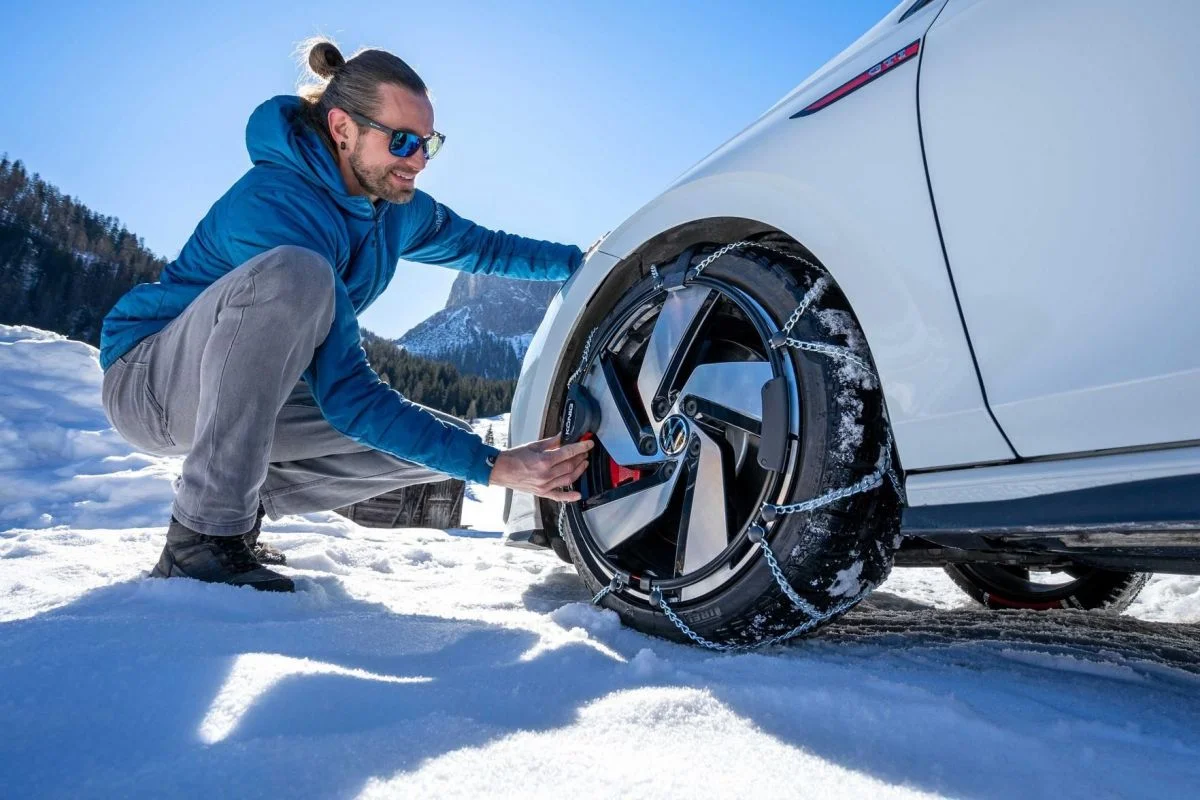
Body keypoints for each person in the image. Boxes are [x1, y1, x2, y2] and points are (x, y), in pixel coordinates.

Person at [98, 38, 594, 593]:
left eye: (429, 143)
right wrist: (499, 468)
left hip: (254, 388)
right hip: (152, 383)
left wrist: (591, 263)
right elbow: (348, 395)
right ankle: (202, 537)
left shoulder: (394, 207)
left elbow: (488, 249)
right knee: (298, 274)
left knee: (446, 446)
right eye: (402, 141)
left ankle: (244, 502)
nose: (419, 160)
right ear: (342, 129)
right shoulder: (273, 204)